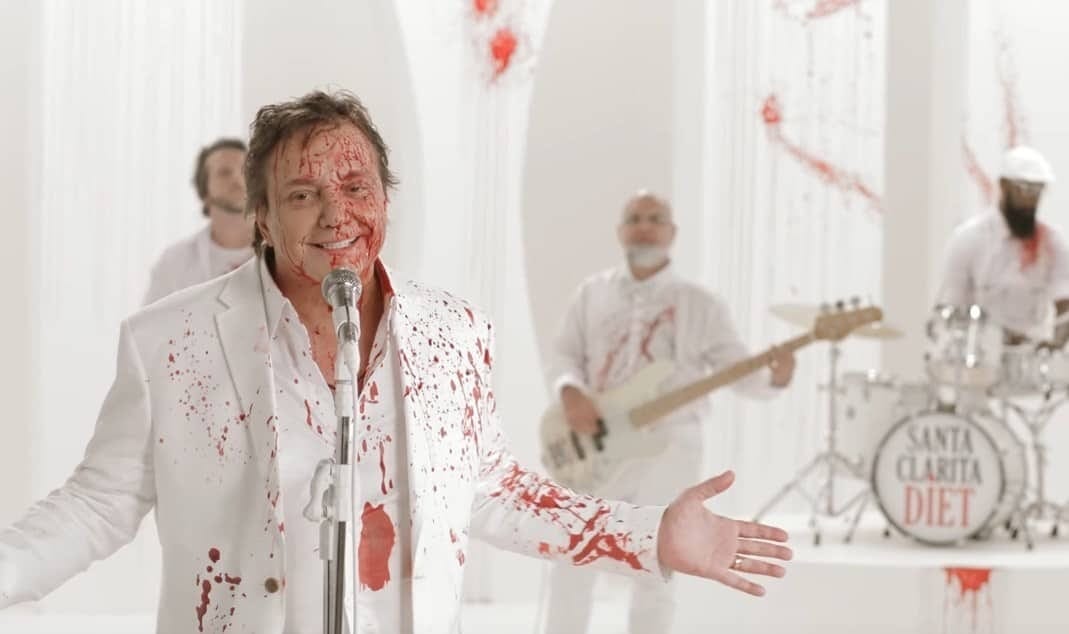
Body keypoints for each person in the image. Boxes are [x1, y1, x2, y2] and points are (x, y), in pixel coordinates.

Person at [0, 91, 791, 634]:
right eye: (303, 194)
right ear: (262, 217)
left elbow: (494, 491)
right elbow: (97, 505)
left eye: (356, 186)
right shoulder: (170, 339)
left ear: (385, 199)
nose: (337, 213)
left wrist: (648, 535)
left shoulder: (454, 332)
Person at [542, 191, 797, 633]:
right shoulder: (592, 293)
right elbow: (564, 354)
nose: (644, 226)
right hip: (598, 446)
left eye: (655, 218)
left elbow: (740, 372)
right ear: (620, 231)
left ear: (672, 232)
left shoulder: (701, 304)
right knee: (572, 554)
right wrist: (570, 392)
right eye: (635, 218)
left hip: (671, 449)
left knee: (656, 569)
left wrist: (777, 377)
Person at [938, 146, 1069, 346]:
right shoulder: (969, 239)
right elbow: (951, 307)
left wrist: (1055, 344)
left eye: (1038, 191)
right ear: (1004, 186)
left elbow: (1064, 304)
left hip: (1032, 355)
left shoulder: (1052, 242)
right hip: (981, 353)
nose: (1031, 199)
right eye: (1024, 189)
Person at [142, 137, 254, 305]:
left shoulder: (283, 255)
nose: (238, 180)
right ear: (204, 192)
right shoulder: (173, 263)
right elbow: (151, 321)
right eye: (224, 173)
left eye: (245, 171)